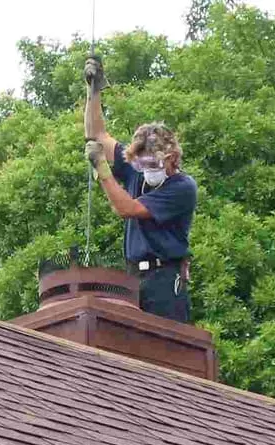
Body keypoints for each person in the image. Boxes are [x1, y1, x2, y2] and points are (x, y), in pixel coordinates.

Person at [83, 57, 198, 324]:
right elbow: (97, 134)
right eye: (141, 163)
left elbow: (128, 209)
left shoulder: (182, 187)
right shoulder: (136, 170)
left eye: (154, 163)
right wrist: (94, 91)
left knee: (166, 349)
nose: (147, 168)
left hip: (165, 282)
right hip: (133, 279)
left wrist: (101, 168)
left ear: (171, 158)